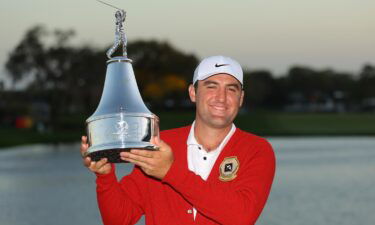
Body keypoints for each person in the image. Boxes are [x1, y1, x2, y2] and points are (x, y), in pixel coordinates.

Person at [81, 55, 276, 225]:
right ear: (193, 93)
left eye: (231, 89)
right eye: (211, 86)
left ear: (241, 98)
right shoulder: (159, 145)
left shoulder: (257, 149)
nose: (221, 97)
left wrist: (170, 171)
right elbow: (119, 219)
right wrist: (105, 177)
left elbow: (241, 217)